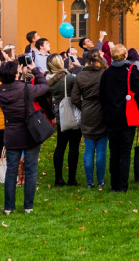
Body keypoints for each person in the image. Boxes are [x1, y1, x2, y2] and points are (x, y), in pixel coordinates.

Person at [0, 59, 50, 213]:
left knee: (11, 170)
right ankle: (28, 206)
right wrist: (36, 71)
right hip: (29, 132)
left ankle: (9, 207)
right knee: (31, 170)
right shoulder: (25, 89)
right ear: (16, 73)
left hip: (12, 133)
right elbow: (45, 86)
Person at [100, 44, 139, 193]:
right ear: (125, 56)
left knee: (114, 151)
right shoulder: (131, 72)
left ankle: (114, 185)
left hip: (111, 117)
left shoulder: (106, 74)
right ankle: (122, 185)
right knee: (125, 152)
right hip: (127, 117)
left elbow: (101, 95)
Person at [72, 50, 108, 189]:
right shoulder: (104, 74)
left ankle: (89, 182)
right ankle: (100, 180)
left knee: (88, 148)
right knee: (101, 149)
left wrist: (84, 106)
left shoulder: (80, 76)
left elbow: (75, 98)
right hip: (102, 111)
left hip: (87, 111)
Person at [48, 55, 81, 186]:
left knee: (60, 146)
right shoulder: (68, 78)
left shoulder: (48, 79)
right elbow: (78, 81)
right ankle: (71, 179)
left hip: (59, 113)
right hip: (71, 112)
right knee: (74, 146)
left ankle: (58, 178)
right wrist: (77, 67)